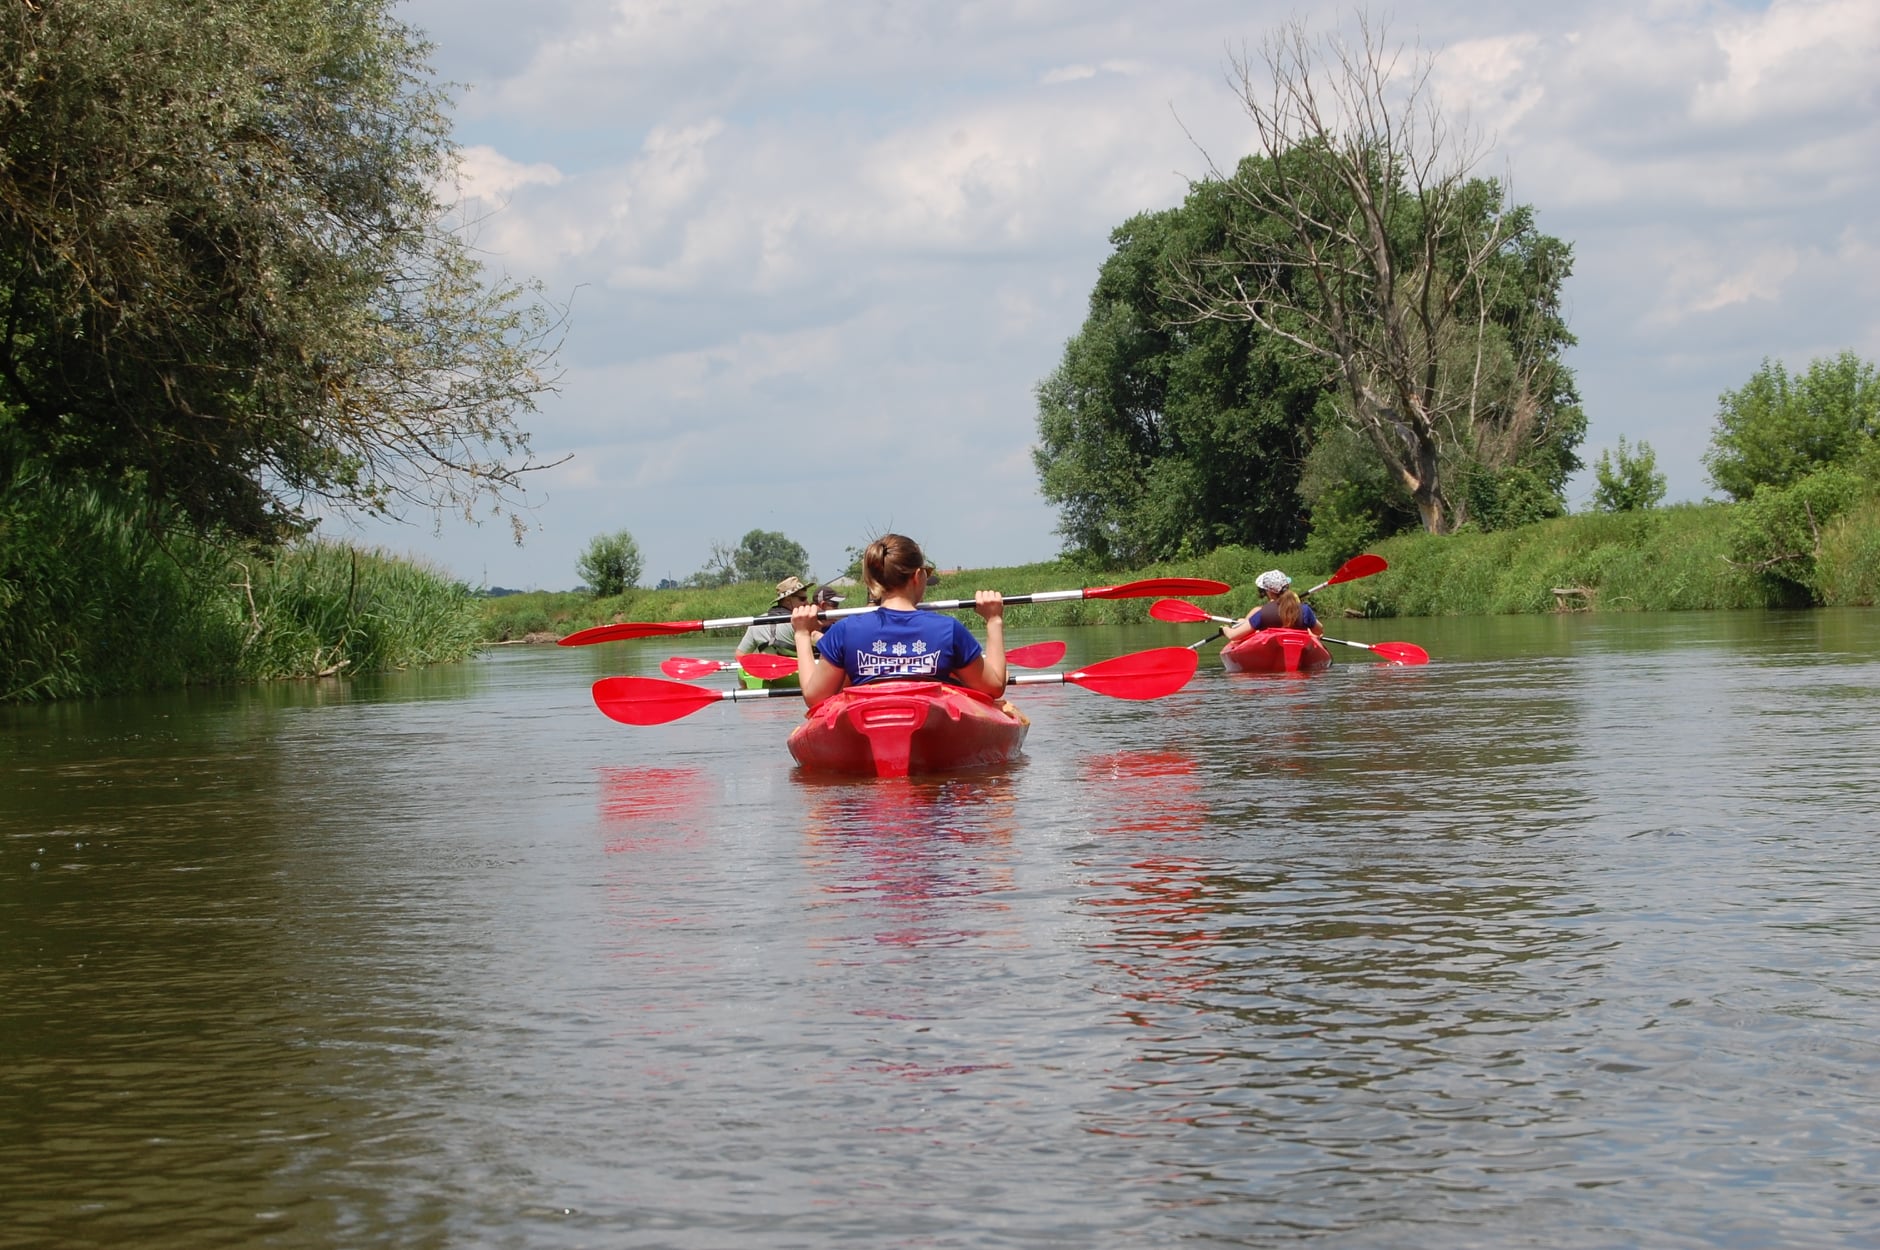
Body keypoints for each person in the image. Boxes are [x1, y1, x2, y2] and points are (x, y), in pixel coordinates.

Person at [790, 534, 1005, 711]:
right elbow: (994, 687)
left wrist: (801, 633)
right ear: (917, 576)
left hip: (868, 717)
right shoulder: (948, 629)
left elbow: (814, 698)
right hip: (932, 720)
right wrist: (993, 619)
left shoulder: (844, 630)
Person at [1222, 568, 1323, 642]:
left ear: (1269, 592)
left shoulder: (1263, 613)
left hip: (1271, 649)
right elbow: (1318, 631)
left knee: (1241, 624)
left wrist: (1225, 629)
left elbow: (1233, 636)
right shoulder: (1305, 610)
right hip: (1299, 645)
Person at [736, 576, 811, 655]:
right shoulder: (801, 624)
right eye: (802, 599)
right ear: (788, 600)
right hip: (798, 666)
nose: (807, 603)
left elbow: (739, 655)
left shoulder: (756, 623)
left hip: (768, 666)